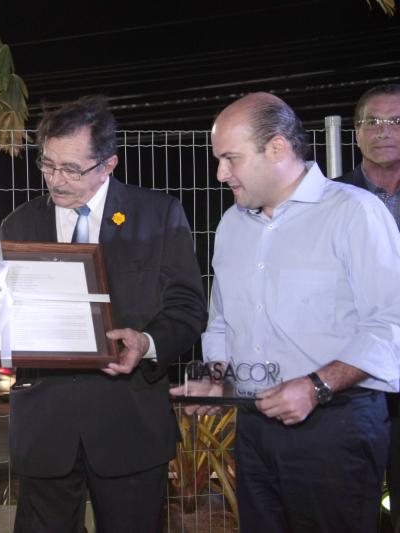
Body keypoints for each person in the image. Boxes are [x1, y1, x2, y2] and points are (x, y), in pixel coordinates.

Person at [181, 92, 400, 532]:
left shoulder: (354, 213)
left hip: (336, 427)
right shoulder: (231, 224)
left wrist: (316, 387)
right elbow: (222, 320)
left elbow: (390, 322)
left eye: (230, 158)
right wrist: (216, 377)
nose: (221, 174)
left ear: (277, 148)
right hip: (253, 428)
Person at [0, 95, 207, 532]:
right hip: (45, 427)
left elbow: (187, 308)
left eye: (71, 169)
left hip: (129, 424)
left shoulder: (157, 215)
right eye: (47, 164)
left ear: (108, 165)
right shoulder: (19, 224)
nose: (56, 180)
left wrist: (147, 343)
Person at [338, 83, 400, 530]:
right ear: (356, 133)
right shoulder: (330, 199)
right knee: (348, 505)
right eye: (372, 122)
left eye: (396, 121)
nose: (384, 131)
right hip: (351, 379)